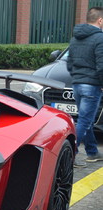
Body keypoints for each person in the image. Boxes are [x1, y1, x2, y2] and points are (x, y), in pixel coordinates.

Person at [67, 7, 103, 165]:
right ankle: (70, 153)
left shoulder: (75, 38)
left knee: (84, 119)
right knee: (85, 121)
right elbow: (101, 64)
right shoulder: (100, 38)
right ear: (100, 20)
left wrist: (76, 76)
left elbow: (69, 63)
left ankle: (92, 151)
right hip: (92, 85)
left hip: (77, 84)